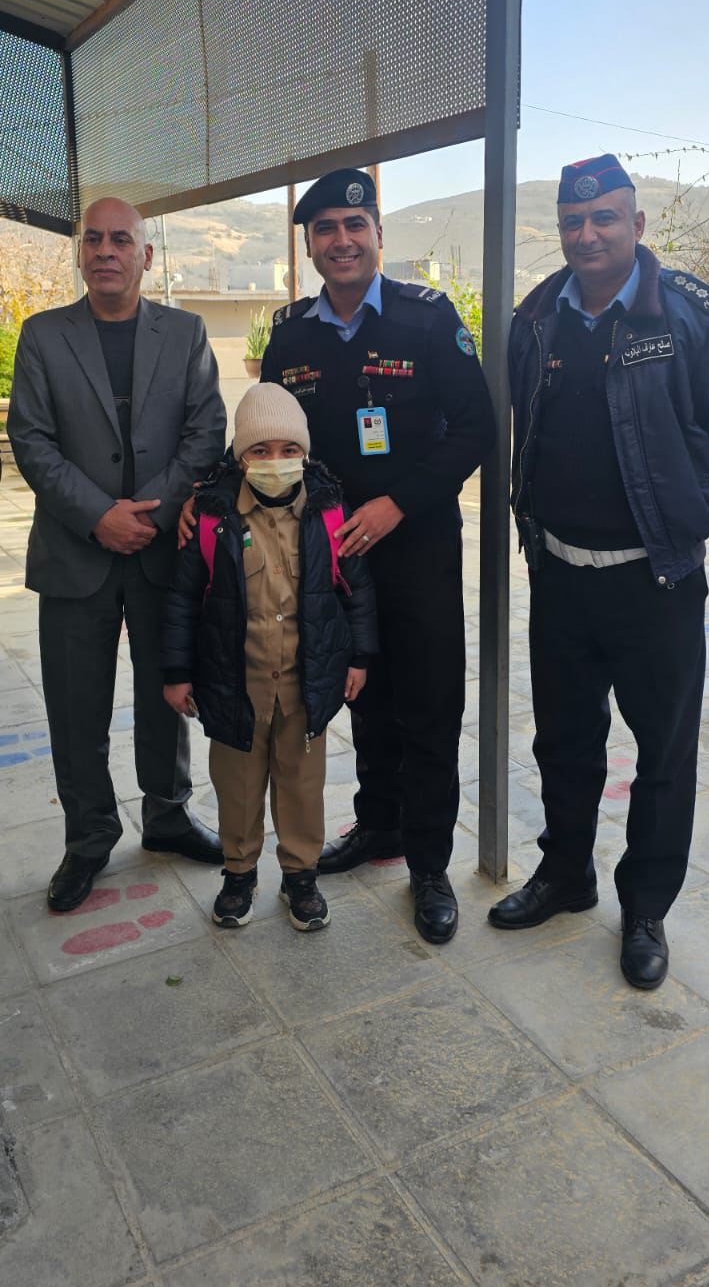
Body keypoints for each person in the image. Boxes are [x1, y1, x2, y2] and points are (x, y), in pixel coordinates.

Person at [489, 153, 709, 988]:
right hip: (561, 577)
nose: (587, 234)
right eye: (572, 221)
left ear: (635, 224)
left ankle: (644, 910)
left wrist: (699, 509)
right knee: (563, 742)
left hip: (655, 581)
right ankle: (566, 874)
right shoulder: (536, 315)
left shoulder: (698, 313)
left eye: (603, 217)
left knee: (662, 754)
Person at [260, 168, 496, 943]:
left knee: (427, 704)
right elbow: (277, 443)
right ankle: (378, 825)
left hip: (417, 545)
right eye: (325, 229)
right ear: (310, 245)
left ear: (378, 235)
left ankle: (427, 864)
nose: (341, 241)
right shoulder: (290, 336)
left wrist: (397, 502)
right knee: (362, 694)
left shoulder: (427, 319)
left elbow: (475, 428)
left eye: (354, 226)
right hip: (335, 557)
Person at [7, 196, 227, 913]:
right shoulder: (43, 336)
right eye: (94, 239)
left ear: (146, 255)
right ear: (80, 253)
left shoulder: (186, 333)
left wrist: (152, 515)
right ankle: (88, 836)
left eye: (121, 240)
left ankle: (167, 816)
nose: (106, 250)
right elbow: (31, 439)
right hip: (76, 554)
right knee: (76, 708)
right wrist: (98, 515)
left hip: (164, 555)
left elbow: (206, 431)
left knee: (168, 694)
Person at [161, 383, 377, 932]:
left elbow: (356, 589)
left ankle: (301, 874)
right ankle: (239, 872)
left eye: (288, 449)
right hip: (234, 683)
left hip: (306, 684)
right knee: (237, 784)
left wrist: (359, 657)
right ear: (241, 457)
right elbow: (183, 599)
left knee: (302, 784)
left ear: (304, 452)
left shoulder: (329, 511)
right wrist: (177, 673)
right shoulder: (212, 516)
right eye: (260, 450)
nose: (275, 460)